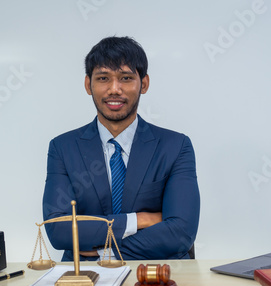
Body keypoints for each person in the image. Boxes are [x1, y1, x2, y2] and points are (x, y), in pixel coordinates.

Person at [42, 36, 200, 261]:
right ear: (88, 85)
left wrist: (104, 252)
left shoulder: (175, 146)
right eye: (103, 78)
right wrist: (140, 220)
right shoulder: (62, 148)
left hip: (156, 277)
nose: (114, 89)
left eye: (126, 78)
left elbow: (180, 233)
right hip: (85, 277)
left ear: (143, 84)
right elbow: (59, 231)